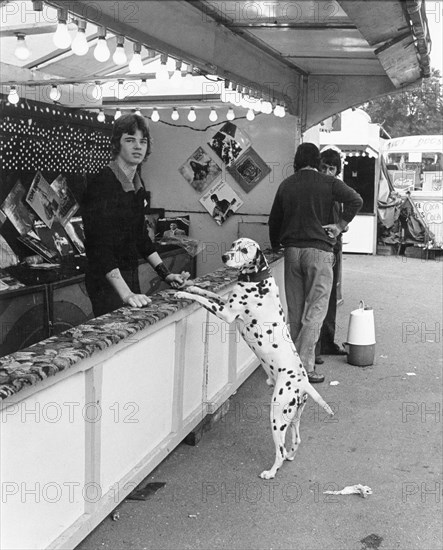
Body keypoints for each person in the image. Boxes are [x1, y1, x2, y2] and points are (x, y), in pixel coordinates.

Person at [268, 143, 362, 383]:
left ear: (296, 160)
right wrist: (340, 225)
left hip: (292, 253)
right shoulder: (328, 183)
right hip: (319, 252)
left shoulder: (286, 185)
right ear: (317, 161)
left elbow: (274, 221)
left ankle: (291, 365)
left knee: (296, 311)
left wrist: (277, 244)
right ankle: (305, 368)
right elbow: (356, 200)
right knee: (315, 311)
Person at [82, 114, 189, 317]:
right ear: (117, 144)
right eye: (130, 140)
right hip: (106, 279)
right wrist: (126, 293)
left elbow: (141, 236)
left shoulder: (137, 186)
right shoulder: (102, 185)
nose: (138, 146)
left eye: (143, 141)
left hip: (128, 273)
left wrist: (166, 275)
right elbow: (99, 246)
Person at [315, 148, 348, 365]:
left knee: (331, 296)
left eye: (331, 168)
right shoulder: (315, 189)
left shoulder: (338, 190)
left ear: (337, 171)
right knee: (318, 297)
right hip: (321, 248)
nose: (327, 171)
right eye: (324, 166)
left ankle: (328, 341)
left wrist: (340, 226)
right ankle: (315, 347)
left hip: (335, 246)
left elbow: (352, 205)